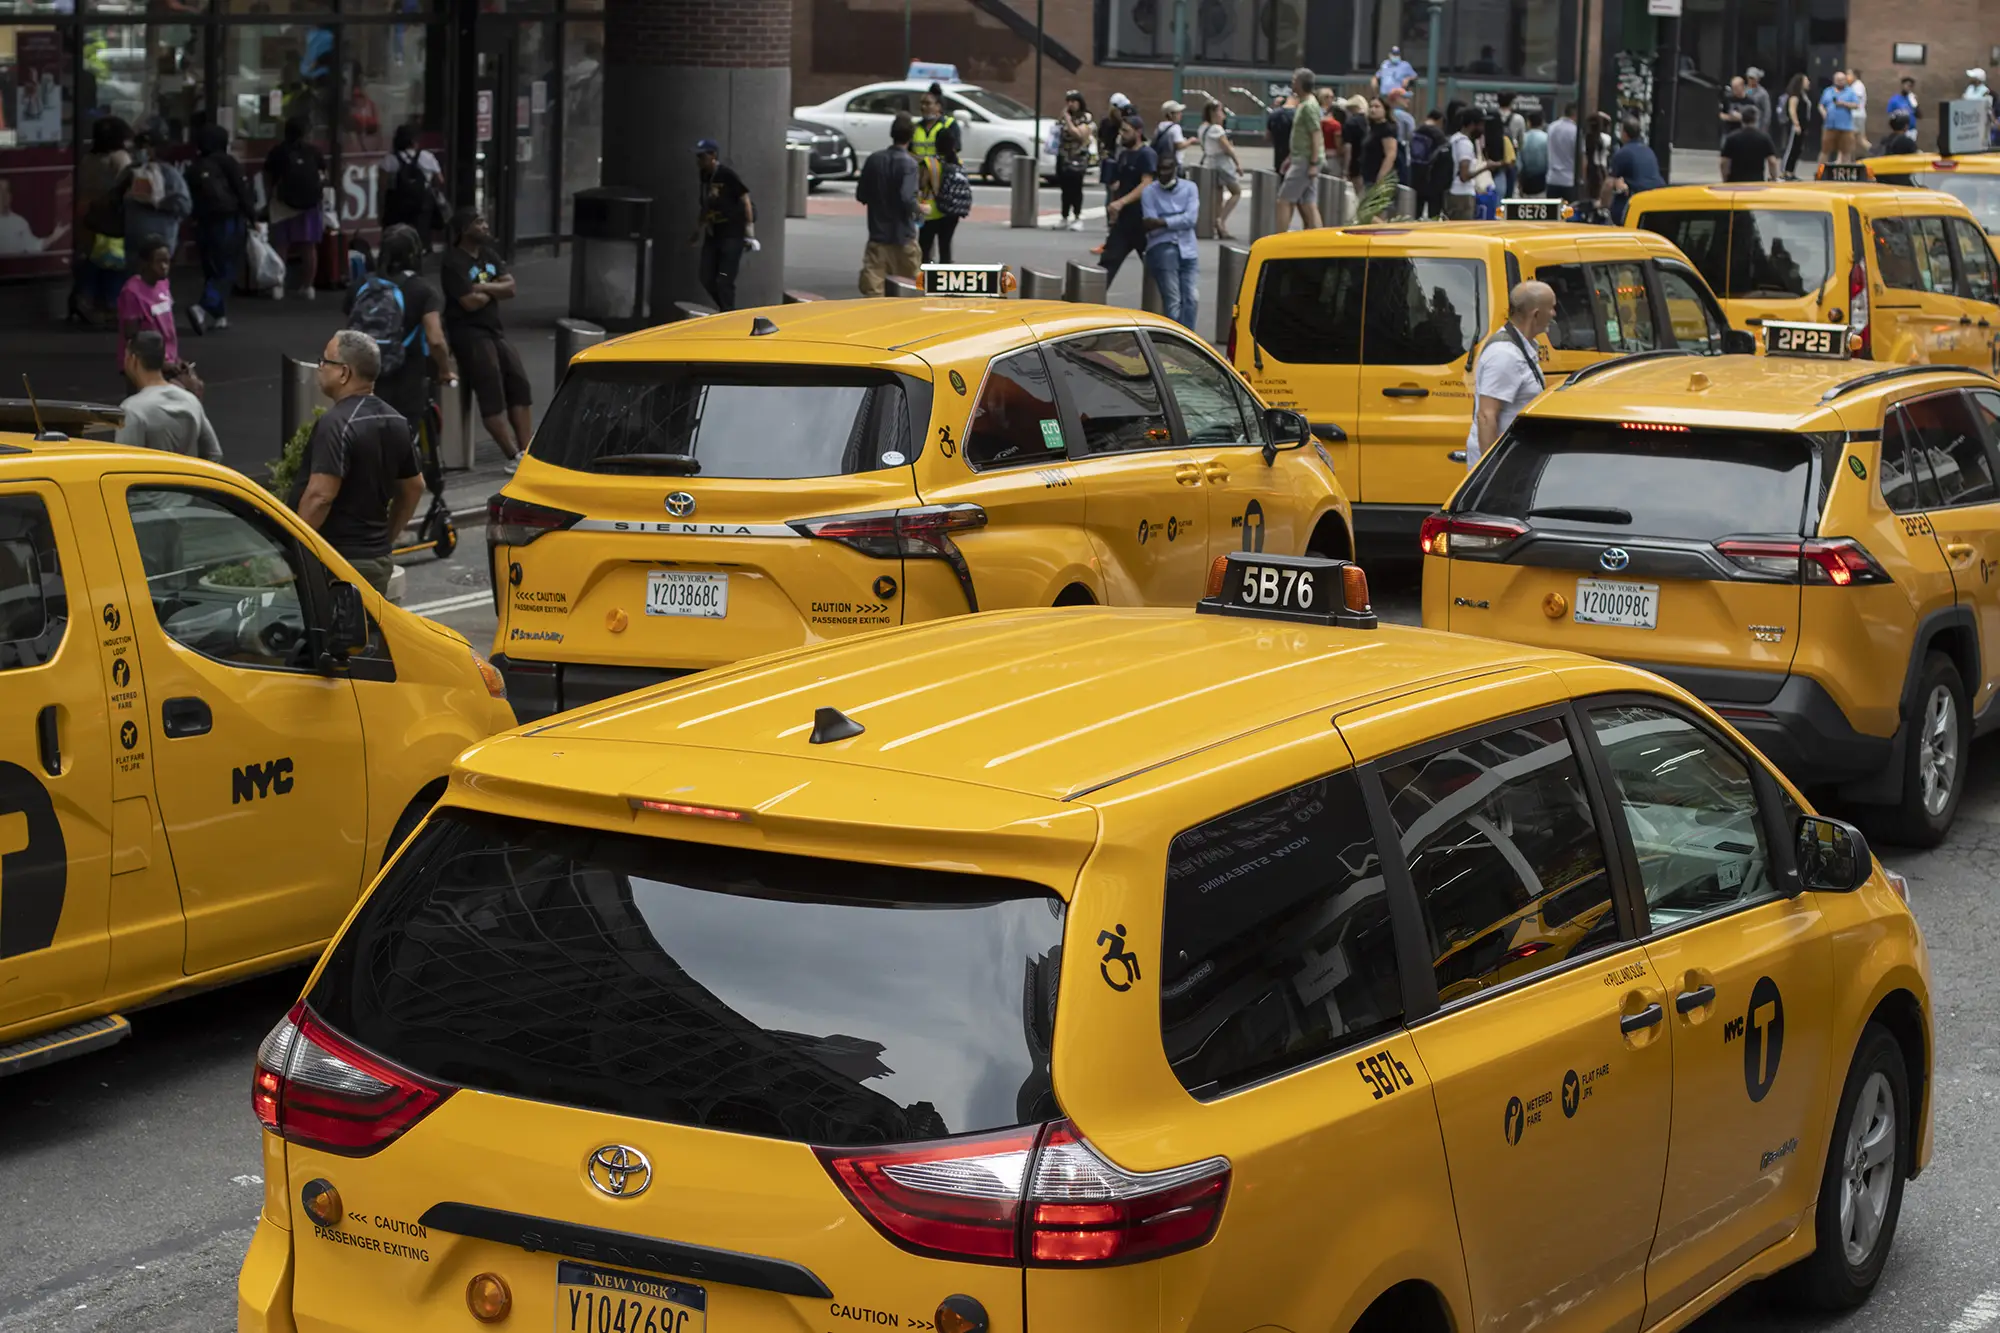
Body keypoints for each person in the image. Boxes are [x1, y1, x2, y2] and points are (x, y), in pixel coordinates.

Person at [293, 329, 425, 597]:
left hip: (337, 563)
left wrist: (291, 547)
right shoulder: (397, 421)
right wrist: (385, 540)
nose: (320, 368)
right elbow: (414, 487)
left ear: (344, 373)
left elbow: (320, 496)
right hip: (375, 561)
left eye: (325, 361)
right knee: (365, 636)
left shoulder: (337, 423)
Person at [441, 208, 530, 471]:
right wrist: (495, 289)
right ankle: (513, 456)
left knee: (519, 382)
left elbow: (511, 288)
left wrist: (483, 288)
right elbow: (469, 302)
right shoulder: (453, 262)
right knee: (491, 390)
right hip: (469, 335)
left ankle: (527, 453)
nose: (484, 226)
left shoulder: (489, 255)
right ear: (464, 230)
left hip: (494, 330)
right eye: (478, 222)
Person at [356, 222, 455, 432]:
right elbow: (435, 339)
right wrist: (445, 371)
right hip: (406, 380)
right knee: (403, 443)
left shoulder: (362, 286)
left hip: (364, 378)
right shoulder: (422, 290)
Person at [1466, 281, 1555, 467]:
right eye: (1552, 308)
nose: (1554, 315)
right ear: (1536, 314)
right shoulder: (1505, 354)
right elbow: (1486, 415)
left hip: (1515, 458)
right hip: (1503, 464)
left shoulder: (1520, 347)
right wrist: (1491, 470)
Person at [183, 123, 255, 335]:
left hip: (204, 223)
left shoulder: (194, 167)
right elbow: (242, 191)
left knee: (211, 268)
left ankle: (219, 315)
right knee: (228, 268)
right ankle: (203, 307)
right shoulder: (227, 162)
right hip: (228, 220)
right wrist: (253, 217)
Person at [116, 330, 221, 462]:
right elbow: (214, 453)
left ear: (134, 360)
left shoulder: (133, 409)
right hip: (187, 481)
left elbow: (125, 465)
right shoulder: (190, 401)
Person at [73, 116, 131, 324]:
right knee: (113, 261)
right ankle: (109, 304)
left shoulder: (88, 159)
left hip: (87, 214)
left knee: (90, 258)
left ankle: (85, 299)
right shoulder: (120, 159)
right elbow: (126, 184)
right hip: (110, 217)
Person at [855, 112, 921, 295]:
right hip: (903, 238)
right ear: (911, 136)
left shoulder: (874, 160)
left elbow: (861, 195)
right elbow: (907, 198)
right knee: (910, 292)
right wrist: (920, 208)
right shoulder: (910, 165)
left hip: (878, 236)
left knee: (874, 294)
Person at [263, 116, 327, 300]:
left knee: (281, 246)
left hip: (282, 203)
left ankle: (278, 285)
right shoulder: (314, 151)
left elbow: (268, 175)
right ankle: (308, 287)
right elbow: (323, 175)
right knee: (308, 246)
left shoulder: (278, 151)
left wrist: (269, 198)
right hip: (310, 204)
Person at [114, 133, 190, 275]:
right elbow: (184, 206)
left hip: (137, 240)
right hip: (159, 241)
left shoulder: (130, 172)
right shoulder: (168, 173)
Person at [691, 138, 752, 310]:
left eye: (702, 156)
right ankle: (725, 310)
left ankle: (728, 313)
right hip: (713, 234)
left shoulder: (727, 175)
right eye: (697, 157)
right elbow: (705, 205)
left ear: (713, 156)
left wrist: (750, 232)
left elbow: (745, 199)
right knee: (706, 276)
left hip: (732, 235)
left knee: (724, 278)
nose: (698, 161)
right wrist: (698, 230)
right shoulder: (704, 175)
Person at [1140, 152, 1199, 329]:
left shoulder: (1190, 188)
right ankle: (1176, 340)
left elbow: (1191, 219)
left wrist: (1163, 221)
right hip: (1162, 247)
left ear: (1176, 169)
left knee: (1192, 298)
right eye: (1160, 169)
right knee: (1173, 300)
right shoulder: (1149, 192)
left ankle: (1189, 336)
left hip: (1188, 248)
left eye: (1168, 168)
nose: (1164, 173)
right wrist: (1177, 220)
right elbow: (1149, 221)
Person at [1100, 114, 1157, 282]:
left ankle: (1167, 303)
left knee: (1154, 267)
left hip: (1142, 219)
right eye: (1121, 131)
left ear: (1138, 132)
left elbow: (1147, 183)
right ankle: (1085, 298)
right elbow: (1119, 184)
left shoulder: (1147, 154)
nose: (1122, 135)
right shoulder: (1124, 154)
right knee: (1108, 261)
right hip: (1123, 221)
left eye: (1126, 131)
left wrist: (1121, 202)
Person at [116, 235, 178, 386]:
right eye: (159, 262)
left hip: (166, 359)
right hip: (143, 365)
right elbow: (133, 336)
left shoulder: (164, 284)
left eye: (167, 261)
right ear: (145, 263)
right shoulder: (132, 292)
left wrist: (175, 360)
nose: (164, 266)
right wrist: (159, 363)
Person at [913, 85, 962, 263]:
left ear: (939, 106)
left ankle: (944, 281)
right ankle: (925, 277)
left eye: (928, 103)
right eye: (922, 103)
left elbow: (955, 149)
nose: (924, 107)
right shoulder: (916, 128)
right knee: (924, 241)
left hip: (944, 187)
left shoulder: (948, 125)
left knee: (944, 242)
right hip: (923, 188)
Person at [1276, 67, 1323, 232]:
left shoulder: (1308, 106)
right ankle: (1319, 240)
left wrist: (1313, 162)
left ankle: (1279, 239)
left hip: (1305, 159)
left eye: (1294, 80)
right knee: (1308, 202)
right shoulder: (1306, 104)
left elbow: (1315, 134)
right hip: (1302, 157)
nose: (1291, 83)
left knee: (1284, 200)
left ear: (1301, 83)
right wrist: (1290, 157)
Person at [381, 124, 446, 235]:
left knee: (397, 235)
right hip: (423, 205)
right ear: (414, 140)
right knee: (422, 235)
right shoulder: (426, 156)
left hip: (397, 206)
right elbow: (440, 180)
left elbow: (382, 185)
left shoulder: (390, 159)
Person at [1606, 117, 1664, 223]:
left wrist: (1601, 205)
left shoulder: (1623, 153)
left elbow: (1609, 184)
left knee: (1617, 206)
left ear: (1625, 134)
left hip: (1639, 201)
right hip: (1658, 197)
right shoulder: (1648, 150)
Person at [1197, 99, 1241, 239]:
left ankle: (1219, 226)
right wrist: (1238, 163)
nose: (1223, 115)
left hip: (1210, 163)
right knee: (1236, 192)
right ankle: (1220, 221)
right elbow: (1226, 148)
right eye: (1221, 111)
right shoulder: (1216, 129)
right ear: (1213, 113)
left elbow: (1205, 146)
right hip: (1222, 164)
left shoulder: (1202, 128)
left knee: (1218, 196)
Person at [1052, 92, 1096, 231]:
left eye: (1074, 101)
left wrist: (1068, 120)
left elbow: (1079, 134)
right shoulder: (1064, 116)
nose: (1071, 104)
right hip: (1063, 155)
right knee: (1064, 188)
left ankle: (1077, 217)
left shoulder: (1086, 117)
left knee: (1076, 187)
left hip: (1077, 156)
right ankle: (1064, 216)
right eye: (1068, 101)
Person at [1446, 107, 1492, 220]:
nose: (1483, 129)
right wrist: (1486, 167)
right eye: (1481, 124)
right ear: (1472, 124)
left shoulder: (1454, 139)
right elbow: (1464, 176)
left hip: (1453, 191)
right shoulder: (1465, 144)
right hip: (1462, 196)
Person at [1358, 97, 1400, 208]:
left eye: (1377, 106)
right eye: (1371, 106)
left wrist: (1381, 178)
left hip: (1379, 178)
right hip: (1368, 176)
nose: (1373, 110)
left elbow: (1391, 154)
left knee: (1369, 213)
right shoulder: (1372, 128)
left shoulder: (1387, 129)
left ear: (1385, 110)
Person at [1720, 106, 1778, 182]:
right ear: (1756, 120)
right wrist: (1774, 178)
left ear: (1742, 119)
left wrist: (1725, 178)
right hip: (1756, 181)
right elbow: (1772, 161)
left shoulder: (1732, 137)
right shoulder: (1764, 138)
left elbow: (1724, 162)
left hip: (1735, 182)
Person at [1413, 108, 1451, 217]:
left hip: (1416, 179)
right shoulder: (1438, 135)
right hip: (1434, 180)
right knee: (1433, 215)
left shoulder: (1416, 131)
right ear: (1440, 120)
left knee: (1417, 214)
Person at [1820, 72, 1858, 164]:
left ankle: (1845, 173)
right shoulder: (1828, 91)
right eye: (1838, 80)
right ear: (1834, 80)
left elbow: (1856, 105)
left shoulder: (1850, 92)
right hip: (1830, 126)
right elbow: (1821, 105)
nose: (1840, 82)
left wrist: (1844, 104)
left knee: (1846, 151)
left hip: (1845, 127)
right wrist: (1823, 113)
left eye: (1842, 80)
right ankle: (1820, 172)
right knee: (1825, 150)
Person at [1781, 74, 1810, 179]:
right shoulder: (1795, 96)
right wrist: (1796, 124)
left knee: (1798, 149)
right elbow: (1792, 110)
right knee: (1791, 148)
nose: (1808, 83)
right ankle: (1784, 171)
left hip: (1803, 125)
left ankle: (1791, 171)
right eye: (1806, 81)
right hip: (1795, 126)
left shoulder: (1803, 95)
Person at [1546, 102, 1578, 198]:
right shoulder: (1575, 131)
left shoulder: (1551, 127)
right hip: (1569, 180)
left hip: (1552, 178)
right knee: (1569, 211)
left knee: (1552, 211)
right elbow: (1580, 156)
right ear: (1575, 113)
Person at [1100, 94, 1132, 187]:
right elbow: (1101, 139)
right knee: (1112, 190)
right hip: (1111, 157)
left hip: (1123, 157)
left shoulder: (1126, 122)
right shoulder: (1107, 122)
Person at [1266, 93, 1296, 179]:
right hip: (1295, 157)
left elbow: (1267, 136)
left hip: (1279, 156)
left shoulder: (1273, 115)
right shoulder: (1298, 114)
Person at [1519, 111, 1549, 195]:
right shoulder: (1546, 138)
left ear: (1528, 123)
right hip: (1542, 180)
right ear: (1542, 122)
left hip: (1526, 180)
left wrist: (1519, 185)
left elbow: (1519, 164)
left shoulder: (1522, 138)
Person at [1745, 68, 1774, 136]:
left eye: (1753, 78)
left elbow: (1767, 111)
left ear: (1757, 79)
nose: (1750, 80)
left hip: (1757, 125)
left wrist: (1764, 127)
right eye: (1749, 78)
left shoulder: (1763, 93)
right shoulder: (1745, 90)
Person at [1848, 68, 1871, 153]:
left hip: (1856, 115)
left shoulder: (1858, 86)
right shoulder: (1854, 85)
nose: (1847, 76)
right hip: (1857, 115)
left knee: (1851, 138)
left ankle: (1847, 160)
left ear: (1855, 75)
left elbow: (1856, 101)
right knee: (1859, 139)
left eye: (1849, 74)